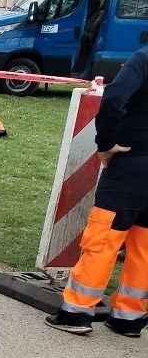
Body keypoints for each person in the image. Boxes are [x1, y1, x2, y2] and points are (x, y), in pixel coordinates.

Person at [45, 44, 148, 338]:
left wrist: (106, 144)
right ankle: (129, 316)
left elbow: (114, 98)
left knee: (104, 238)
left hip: (132, 165)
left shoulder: (142, 58)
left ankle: (76, 313)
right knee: (144, 246)